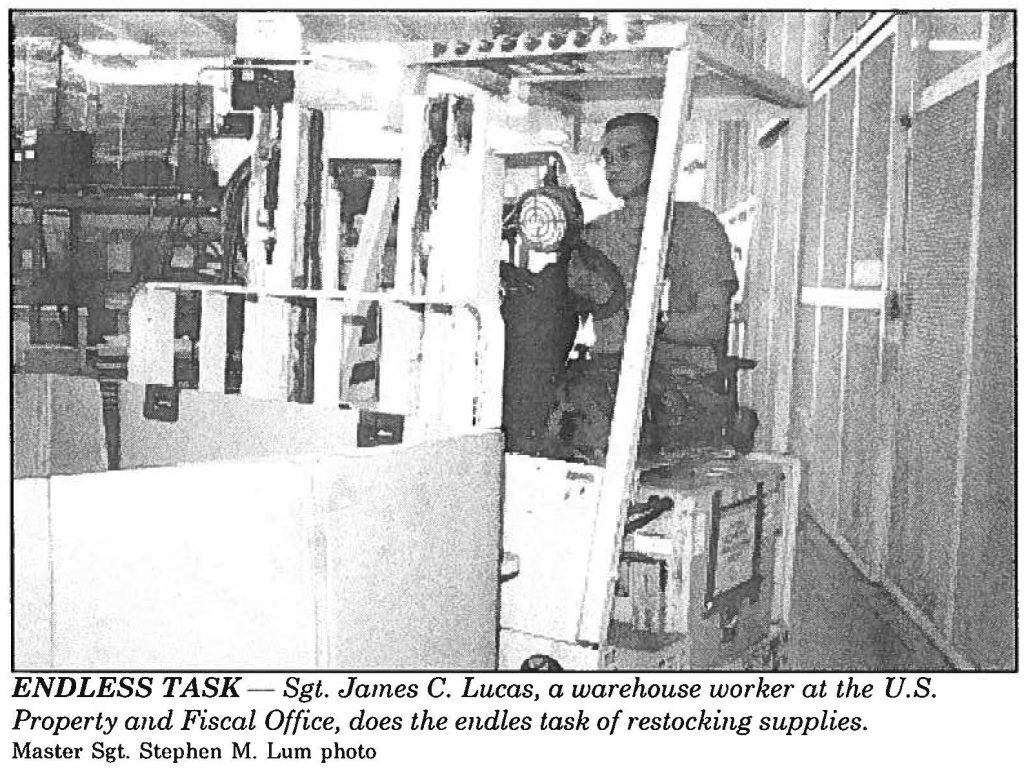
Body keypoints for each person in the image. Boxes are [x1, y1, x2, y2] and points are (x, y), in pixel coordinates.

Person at [548, 113, 739, 460]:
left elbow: (712, 322)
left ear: (661, 157)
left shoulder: (697, 227)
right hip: (608, 378)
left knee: (599, 428)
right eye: (607, 157)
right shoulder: (595, 235)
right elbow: (560, 314)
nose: (614, 167)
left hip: (679, 383)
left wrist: (653, 322)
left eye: (627, 154)